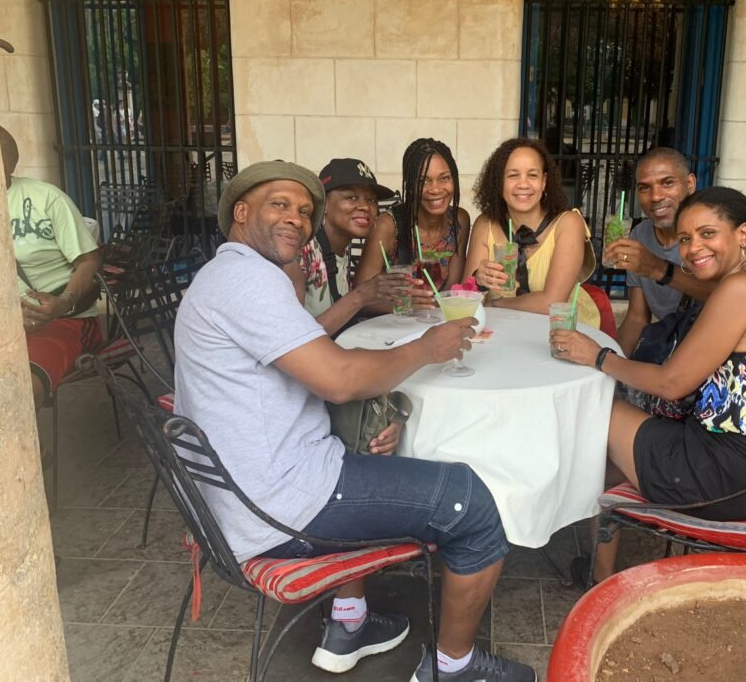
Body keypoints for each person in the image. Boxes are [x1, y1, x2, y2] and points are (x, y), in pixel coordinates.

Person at [173, 161, 535, 682]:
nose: (296, 219)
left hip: (251, 488)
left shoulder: (232, 275)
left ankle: (350, 622)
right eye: (280, 205)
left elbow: (305, 365)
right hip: (280, 507)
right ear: (241, 212)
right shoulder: (246, 282)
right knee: (470, 501)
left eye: (303, 211)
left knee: (376, 443)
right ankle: (453, 667)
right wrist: (425, 348)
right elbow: (338, 378)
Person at [552, 187, 746, 582]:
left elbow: (672, 382)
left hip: (737, 475)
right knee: (608, 450)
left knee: (599, 412)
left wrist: (599, 357)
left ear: (742, 234)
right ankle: (599, 567)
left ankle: (595, 565)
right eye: (686, 239)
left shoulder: (740, 290)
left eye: (707, 234)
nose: (693, 248)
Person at [3, 125, 103, 412]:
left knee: (22, 390)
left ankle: (34, 455)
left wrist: (65, 303)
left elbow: (89, 260)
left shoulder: (46, 199)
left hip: (59, 320)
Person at [464, 137, 600, 328]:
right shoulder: (485, 224)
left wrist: (496, 303)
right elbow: (466, 300)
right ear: (499, 181)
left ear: (544, 181)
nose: (523, 184)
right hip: (505, 330)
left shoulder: (568, 223)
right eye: (512, 175)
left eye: (532, 175)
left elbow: (551, 304)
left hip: (564, 331)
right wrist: (479, 282)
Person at [604, 147, 713, 355]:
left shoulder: (710, 234)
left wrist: (657, 268)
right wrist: (610, 365)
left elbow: (726, 297)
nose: (655, 196)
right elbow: (637, 317)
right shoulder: (640, 235)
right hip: (673, 348)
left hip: (716, 354)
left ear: (689, 184)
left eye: (667, 183)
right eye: (645, 188)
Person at [284, 158, 410, 336]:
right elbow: (291, 341)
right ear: (324, 204)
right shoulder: (300, 252)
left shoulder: (344, 246)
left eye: (371, 199)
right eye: (351, 197)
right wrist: (360, 295)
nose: (365, 206)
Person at [356, 138, 470, 313]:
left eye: (444, 178)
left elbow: (451, 290)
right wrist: (406, 304)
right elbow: (359, 299)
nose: (436, 189)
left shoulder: (459, 220)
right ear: (410, 186)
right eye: (424, 181)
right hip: (392, 327)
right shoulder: (388, 226)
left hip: (437, 322)